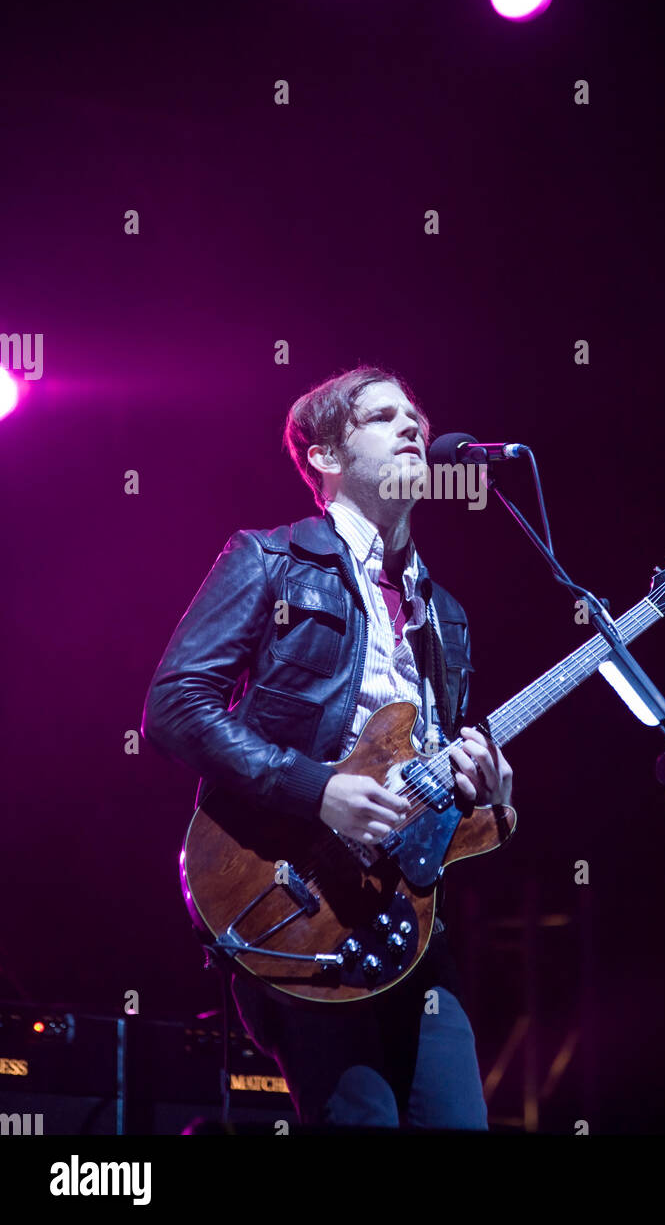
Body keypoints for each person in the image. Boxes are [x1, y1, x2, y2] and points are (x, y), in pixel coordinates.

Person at [142, 365, 513, 1128]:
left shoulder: (444, 612)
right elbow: (174, 706)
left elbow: (431, 777)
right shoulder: (269, 560)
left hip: (409, 921)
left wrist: (489, 796)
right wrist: (316, 788)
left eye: (416, 413)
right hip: (294, 897)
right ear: (324, 457)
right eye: (384, 417)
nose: (413, 425)